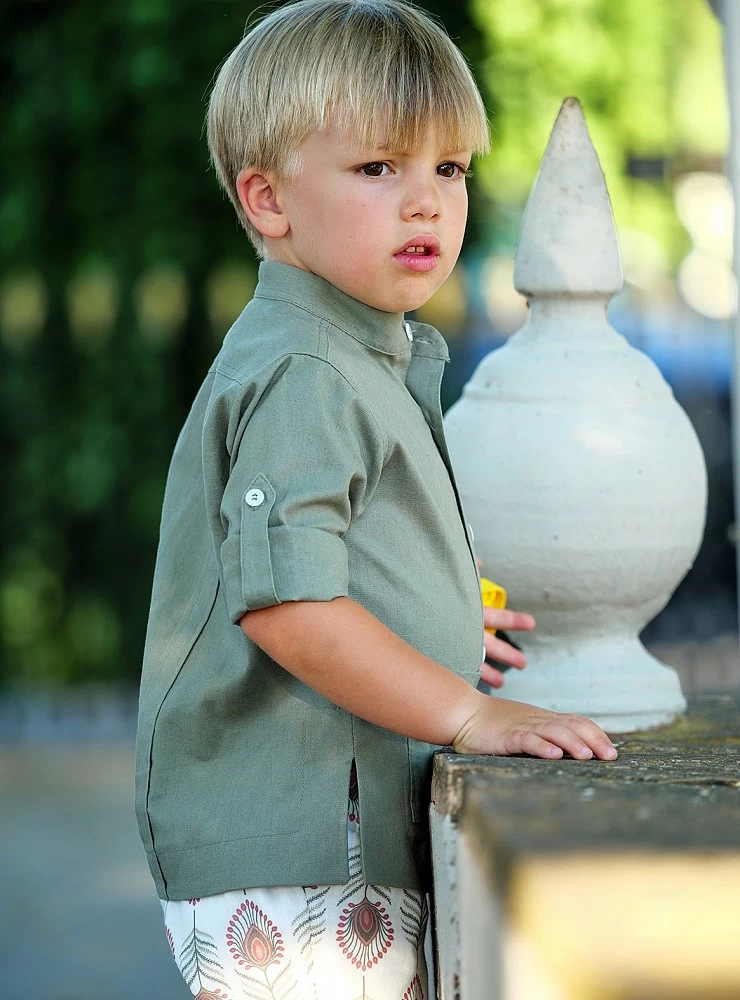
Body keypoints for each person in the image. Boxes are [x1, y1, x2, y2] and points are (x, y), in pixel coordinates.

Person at [134, 1, 618, 996]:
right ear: (267, 202)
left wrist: (431, 620)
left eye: (449, 169)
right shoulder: (308, 368)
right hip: (301, 859)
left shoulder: (345, 354)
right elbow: (288, 605)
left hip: (319, 849)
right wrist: (464, 712)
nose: (427, 203)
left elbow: (327, 564)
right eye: (376, 168)